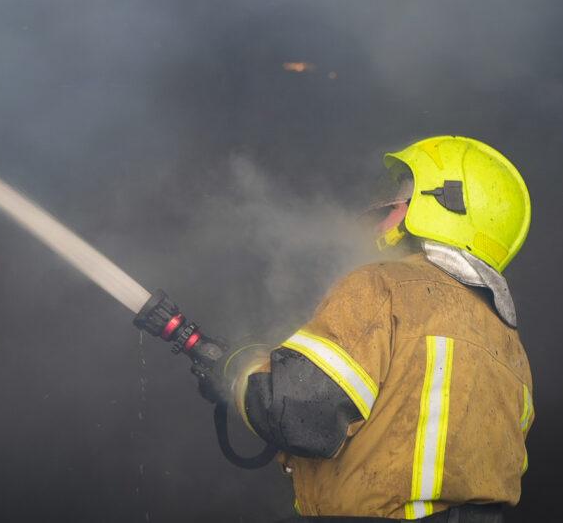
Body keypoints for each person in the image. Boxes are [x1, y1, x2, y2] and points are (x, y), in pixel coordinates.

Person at [197, 135, 534, 522]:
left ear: (440, 209)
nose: (375, 214)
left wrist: (238, 364)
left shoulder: (382, 285)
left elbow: (295, 413)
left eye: (394, 203)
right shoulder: (509, 345)